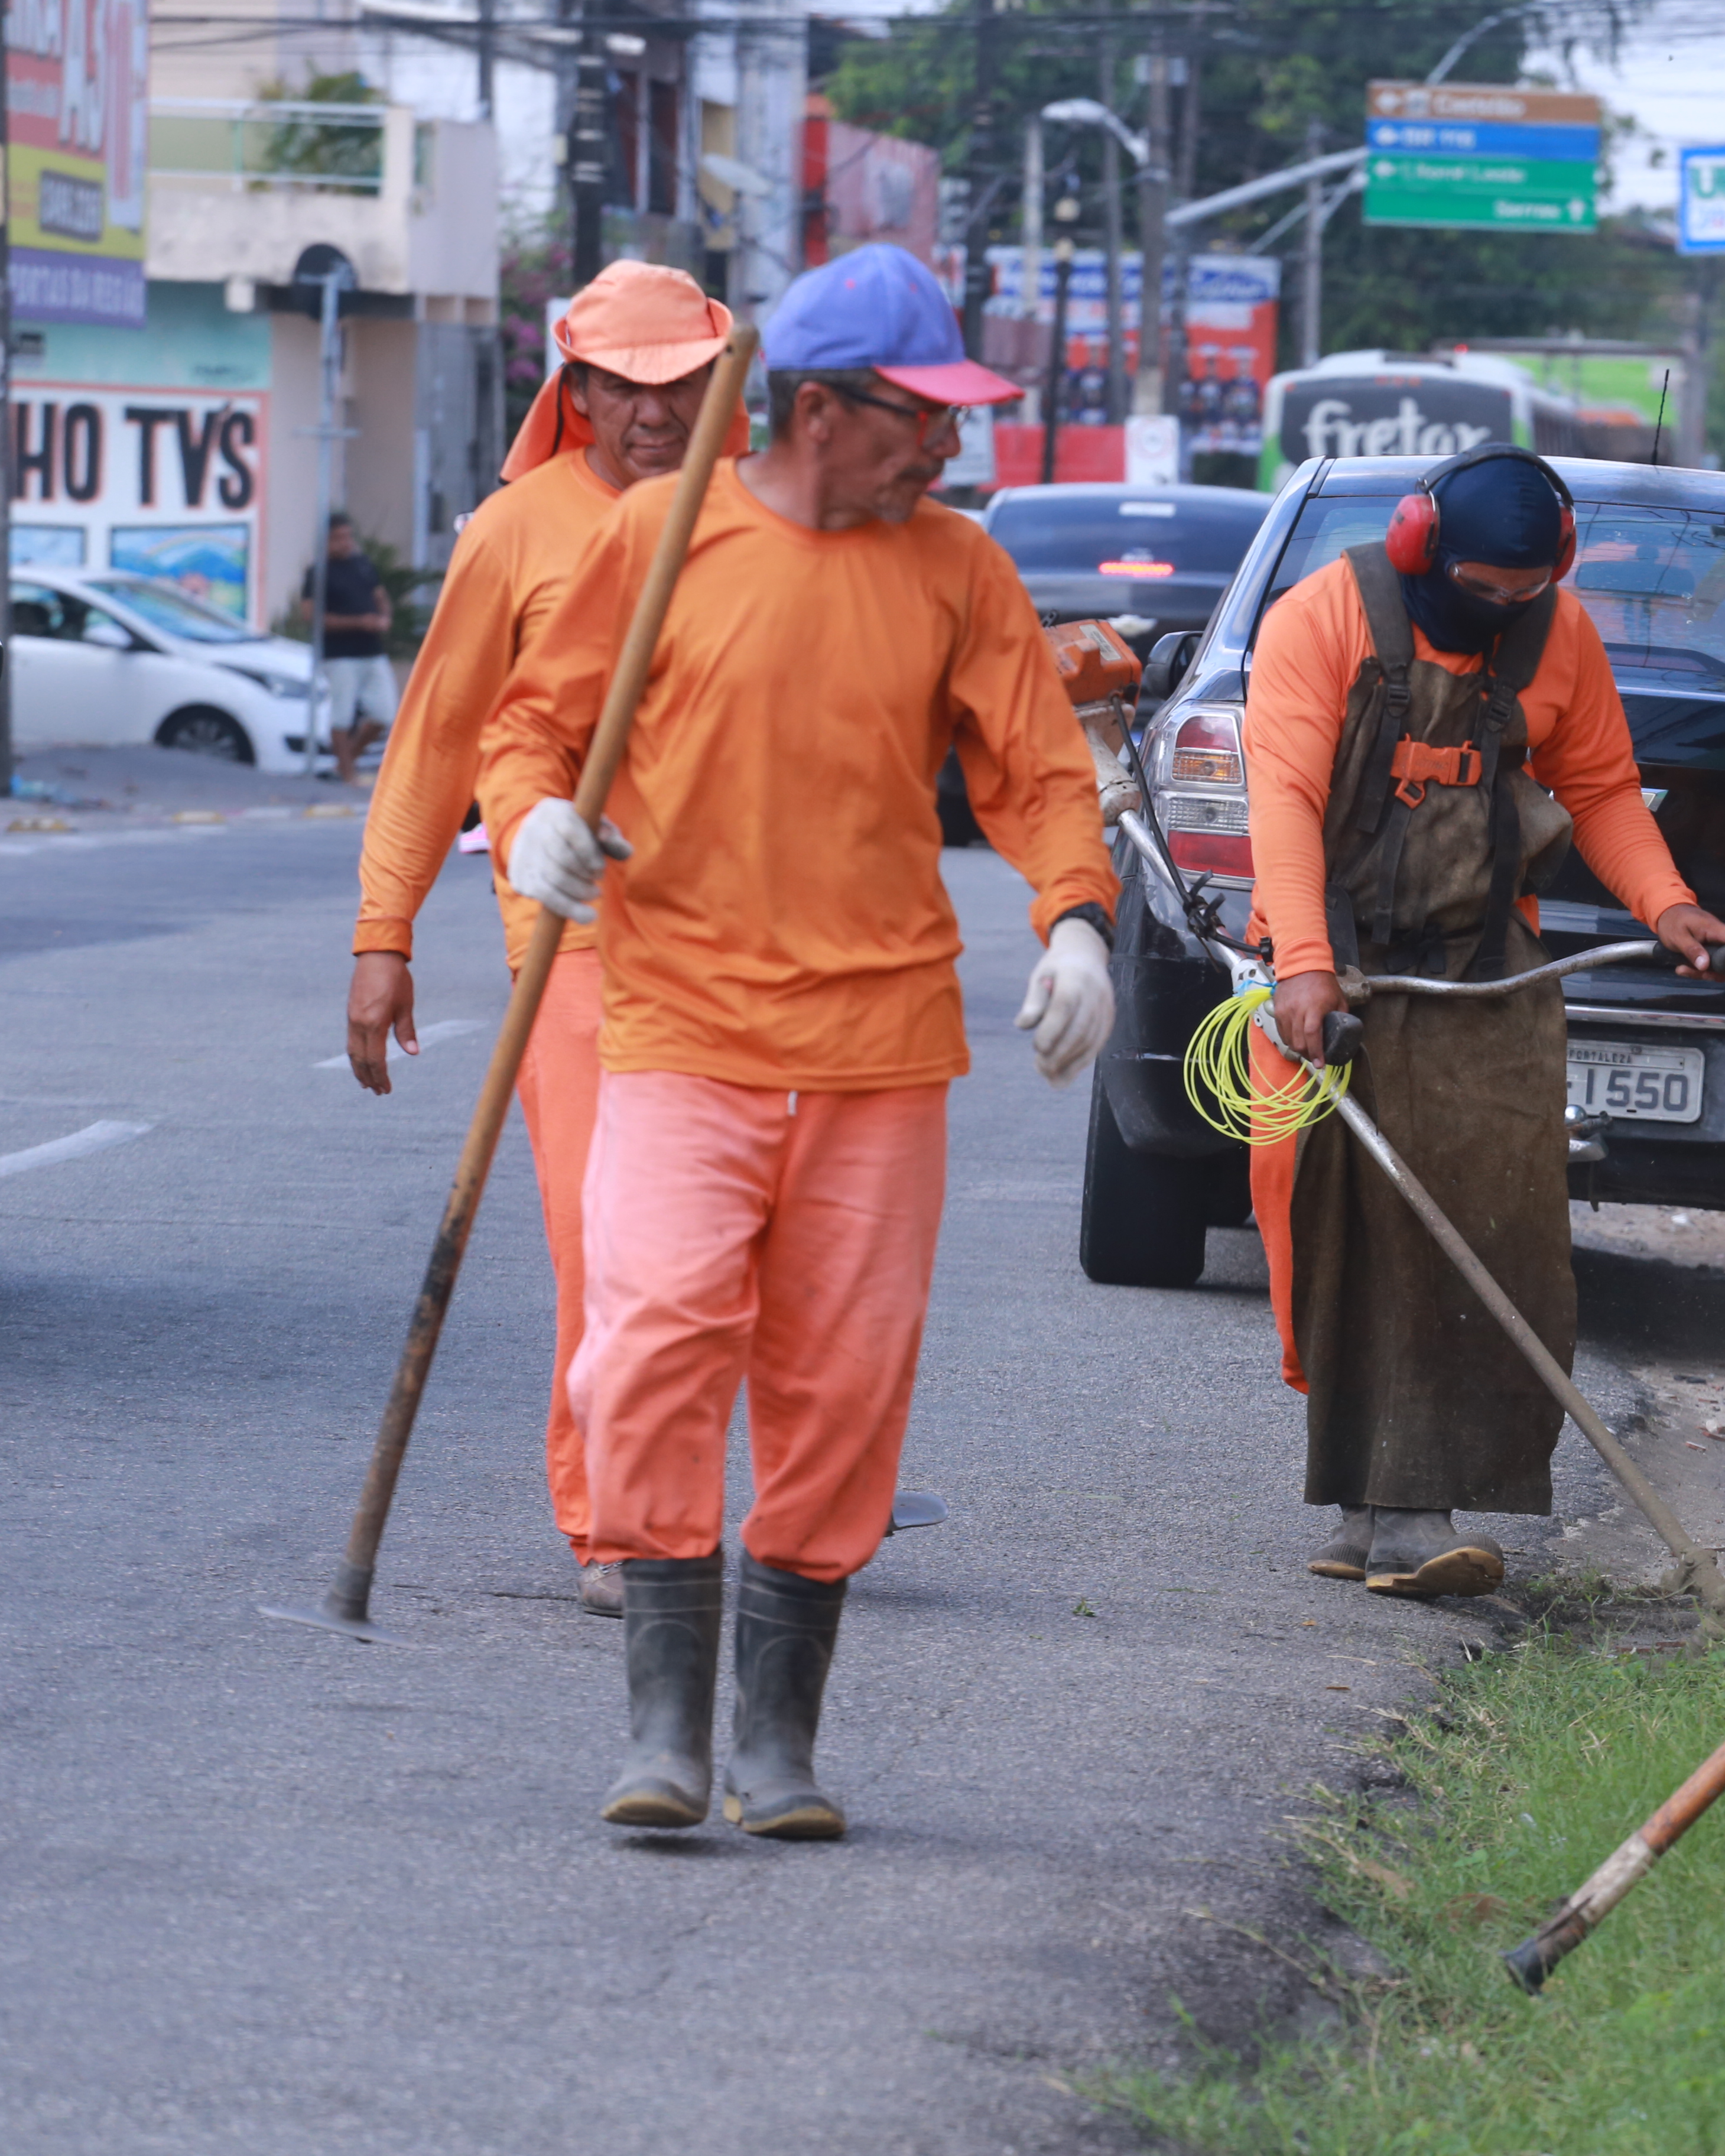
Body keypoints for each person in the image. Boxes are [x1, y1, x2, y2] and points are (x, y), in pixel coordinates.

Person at [484, 242, 1115, 1839]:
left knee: (842, 1389)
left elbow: (1037, 771)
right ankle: (661, 1736)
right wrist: (538, 820)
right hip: (681, 1029)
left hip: (880, 1049)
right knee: (648, 1344)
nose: (948, 449)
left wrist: (1077, 920)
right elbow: (532, 726)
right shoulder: (658, 537)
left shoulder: (959, 568)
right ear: (820, 411)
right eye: (924, 417)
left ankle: (775, 1748)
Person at [1242, 444, 1725, 1599]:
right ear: (1426, 549)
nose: (1505, 616)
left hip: (1483, 975)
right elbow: (1286, 795)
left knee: (1479, 1232)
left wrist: (1668, 906)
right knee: (1335, 1226)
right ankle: (1369, 1507)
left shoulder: (1557, 636)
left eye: (1528, 593)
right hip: (1341, 974)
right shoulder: (1322, 619)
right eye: (1485, 592)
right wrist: (1307, 968)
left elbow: (1603, 788)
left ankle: (1418, 1515)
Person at [345, 261, 734, 1619]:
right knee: (605, 1239)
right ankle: (620, 1522)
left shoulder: (759, 523)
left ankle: (672, 1494)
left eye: (676, 383)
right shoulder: (518, 530)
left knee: (716, 1256)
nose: (649, 410)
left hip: (743, 946)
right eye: (620, 385)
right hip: (569, 940)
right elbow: (436, 743)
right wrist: (379, 933)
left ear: (718, 383)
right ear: (573, 391)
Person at [304, 514, 395, 783]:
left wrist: (384, 617)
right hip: (340, 654)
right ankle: (347, 774)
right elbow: (312, 616)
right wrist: (358, 622)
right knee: (341, 715)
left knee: (384, 713)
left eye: (348, 537)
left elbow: (380, 597)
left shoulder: (363, 565)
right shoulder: (318, 573)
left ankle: (348, 760)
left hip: (372, 651)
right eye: (338, 538)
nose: (344, 543)